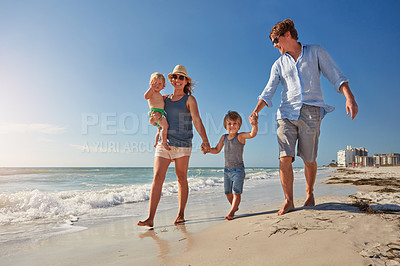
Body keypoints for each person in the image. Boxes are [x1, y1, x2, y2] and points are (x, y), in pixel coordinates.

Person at [250, 19, 358, 216]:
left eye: (275, 40)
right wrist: (256, 110)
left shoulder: (315, 51)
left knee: (309, 159)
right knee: (284, 158)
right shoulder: (278, 64)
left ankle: (309, 192)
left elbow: (335, 75)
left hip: (311, 111)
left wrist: (349, 97)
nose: (275, 45)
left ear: (287, 35)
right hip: (285, 114)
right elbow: (269, 90)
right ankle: (289, 200)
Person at [138, 65, 211, 227]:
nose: (177, 80)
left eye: (181, 78)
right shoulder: (164, 98)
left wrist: (205, 140)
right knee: (157, 178)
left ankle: (181, 214)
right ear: (171, 80)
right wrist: (153, 120)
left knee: (181, 178)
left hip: (183, 144)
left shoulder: (189, 100)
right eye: (175, 77)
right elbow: (154, 116)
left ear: (186, 81)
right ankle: (150, 218)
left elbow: (197, 121)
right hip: (165, 144)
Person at [206, 111, 258, 220]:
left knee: (236, 192)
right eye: (229, 124)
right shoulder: (224, 137)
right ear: (225, 126)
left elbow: (252, 134)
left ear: (239, 125)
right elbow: (217, 149)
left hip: (238, 170)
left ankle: (232, 212)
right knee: (227, 193)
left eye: (235, 124)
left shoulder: (240, 136)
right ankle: (234, 207)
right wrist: (208, 150)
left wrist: (254, 125)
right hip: (227, 171)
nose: (232, 126)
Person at [144, 72, 169, 150]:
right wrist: (151, 88)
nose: (157, 85)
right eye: (155, 83)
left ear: (163, 86)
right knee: (165, 126)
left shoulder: (160, 95)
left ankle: (156, 143)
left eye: (159, 84)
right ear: (151, 84)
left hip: (160, 113)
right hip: (155, 112)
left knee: (159, 130)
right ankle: (164, 142)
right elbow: (146, 96)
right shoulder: (152, 93)